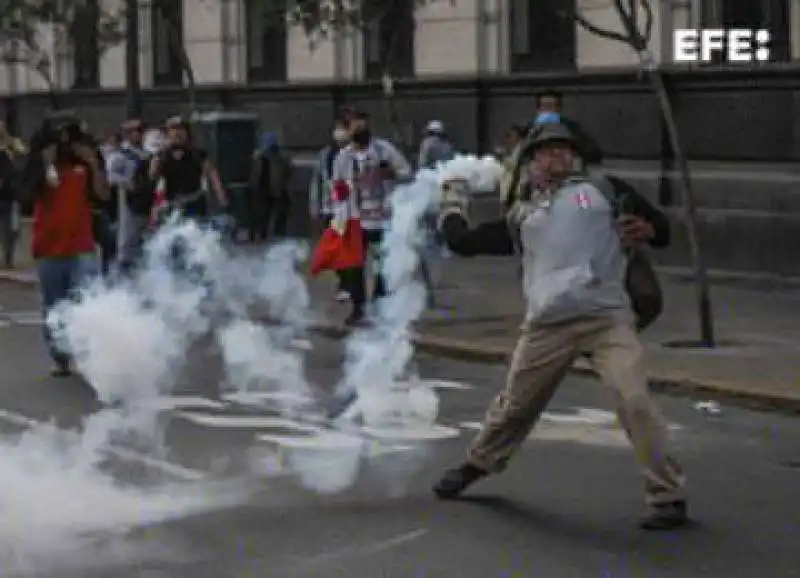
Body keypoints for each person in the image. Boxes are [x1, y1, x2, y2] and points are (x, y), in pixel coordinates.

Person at [432, 123, 687, 531]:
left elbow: (663, 229)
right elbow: (464, 242)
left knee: (635, 400)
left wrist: (649, 230)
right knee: (515, 406)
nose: (558, 158)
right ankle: (477, 463)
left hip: (606, 319)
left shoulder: (605, 191)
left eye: (564, 151)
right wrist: (451, 203)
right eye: (547, 152)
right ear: (530, 164)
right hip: (547, 326)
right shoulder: (522, 215)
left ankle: (668, 495)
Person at [22, 113, 109, 377]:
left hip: (81, 244)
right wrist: (45, 163)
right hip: (49, 246)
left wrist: (93, 163)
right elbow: (27, 195)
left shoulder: (84, 163)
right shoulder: (38, 166)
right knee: (54, 304)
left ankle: (90, 353)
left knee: (86, 300)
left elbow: (104, 195)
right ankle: (60, 357)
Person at [331, 110, 411, 326]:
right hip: (356, 219)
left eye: (363, 127)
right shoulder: (343, 157)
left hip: (383, 218)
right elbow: (337, 189)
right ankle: (358, 308)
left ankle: (380, 305)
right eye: (356, 128)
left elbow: (406, 172)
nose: (360, 132)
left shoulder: (384, 151)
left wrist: (391, 173)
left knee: (382, 265)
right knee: (353, 266)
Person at [149, 116, 227, 224]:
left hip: (194, 200)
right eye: (173, 129)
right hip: (173, 201)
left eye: (180, 129)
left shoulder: (197, 153)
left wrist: (220, 195)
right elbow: (153, 177)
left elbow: (212, 174)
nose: (177, 133)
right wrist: (155, 163)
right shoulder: (162, 155)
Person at [309, 118, 351, 301]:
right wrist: (314, 205)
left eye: (344, 129)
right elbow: (316, 182)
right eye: (338, 129)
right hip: (330, 209)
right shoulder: (325, 155)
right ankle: (344, 281)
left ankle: (348, 286)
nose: (340, 133)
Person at [249, 131, 293, 241]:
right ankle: (261, 238)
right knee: (261, 222)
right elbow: (253, 176)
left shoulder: (281, 158)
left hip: (277, 194)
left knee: (278, 224)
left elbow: (286, 173)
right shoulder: (257, 159)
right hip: (262, 194)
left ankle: (276, 240)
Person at [0, 121, 27, 269]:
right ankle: (7, 258)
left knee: (13, 229)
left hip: (12, 195)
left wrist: (11, 147)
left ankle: (8, 256)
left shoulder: (13, 143)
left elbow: (24, 156)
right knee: (5, 229)